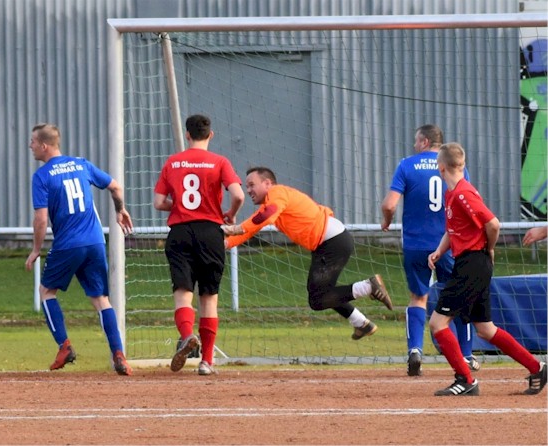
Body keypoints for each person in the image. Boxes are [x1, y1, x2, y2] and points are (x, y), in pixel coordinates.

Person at [428, 142, 546, 396]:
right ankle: (537, 367)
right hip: (470, 261)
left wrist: (488, 248)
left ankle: (465, 379)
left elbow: (493, 223)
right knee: (486, 329)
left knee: (438, 323)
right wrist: (440, 251)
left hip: (472, 263)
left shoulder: (463, 193)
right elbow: (454, 230)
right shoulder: (453, 194)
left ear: (441, 167)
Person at [222, 167, 394, 340]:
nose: (248, 190)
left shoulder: (277, 192)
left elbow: (265, 215)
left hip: (332, 241)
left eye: (252, 185)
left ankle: (369, 286)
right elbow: (254, 226)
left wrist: (239, 228)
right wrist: (226, 243)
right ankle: (362, 324)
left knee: (318, 298)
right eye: (247, 186)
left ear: (268, 183)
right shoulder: (273, 201)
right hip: (329, 242)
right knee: (323, 294)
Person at [25, 123, 134, 376]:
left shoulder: (41, 176)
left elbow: (41, 219)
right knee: (101, 300)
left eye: (32, 142)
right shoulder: (81, 164)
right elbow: (115, 187)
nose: (30, 146)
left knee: (46, 292)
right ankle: (119, 354)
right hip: (95, 242)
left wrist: (35, 250)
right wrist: (120, 210)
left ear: (44, 145)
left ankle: (64, 346)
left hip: (68, 244)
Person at [381, 124, 479, 377]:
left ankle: (415, 351)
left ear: (424, 141)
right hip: (449, 243)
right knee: (457, 296)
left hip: (415, 244)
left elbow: (390, 204)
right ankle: (466, 355)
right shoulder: (456, 166)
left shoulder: (407, 165)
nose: (414, 146)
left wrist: (387, 222)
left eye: (416, 141)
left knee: (418, 298)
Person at [153, 114, 244, 376]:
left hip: (180, 231)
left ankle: (185, 336)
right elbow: (237, 194)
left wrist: (178, 205)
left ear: (188, 134)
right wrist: (230, 213)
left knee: (183, 292)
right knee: (209, 298)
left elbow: (159, 202)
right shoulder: (220, 162)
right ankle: (206, 361)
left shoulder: (172, 162)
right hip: (210, 233)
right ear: (210, 135)